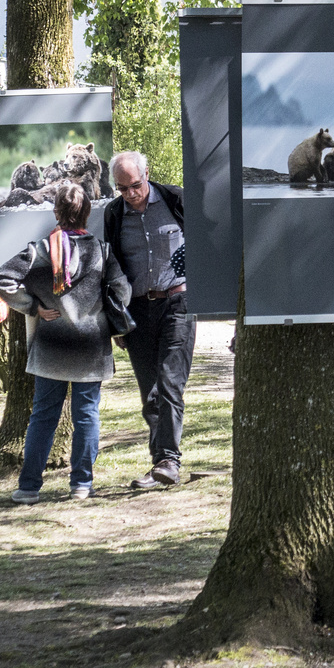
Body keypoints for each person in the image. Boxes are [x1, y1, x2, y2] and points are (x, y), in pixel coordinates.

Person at [0, 182, 132, 504]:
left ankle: (29, 487)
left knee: (42, 416)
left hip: (51, 346)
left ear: (56, 212)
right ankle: (81, 484)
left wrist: (32, 305)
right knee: (86, 415)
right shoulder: (101, 250)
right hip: (91, 347)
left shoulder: (40, 250)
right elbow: (122, 291)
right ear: (87, 213)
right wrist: (102, 313)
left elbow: (2, 279)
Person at [103, 150, 194, 490]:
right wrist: (115, 321)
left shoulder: (176, 200)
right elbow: (110, 270)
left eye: (135, 186)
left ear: (147, 175)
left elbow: (206, 243)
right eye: (122, 188)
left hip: (178, 303)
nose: (130, 194)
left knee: (170, 382)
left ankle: (169, 459)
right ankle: (161, 464)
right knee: (151, 393)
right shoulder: (114, 214)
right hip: (137, 311)